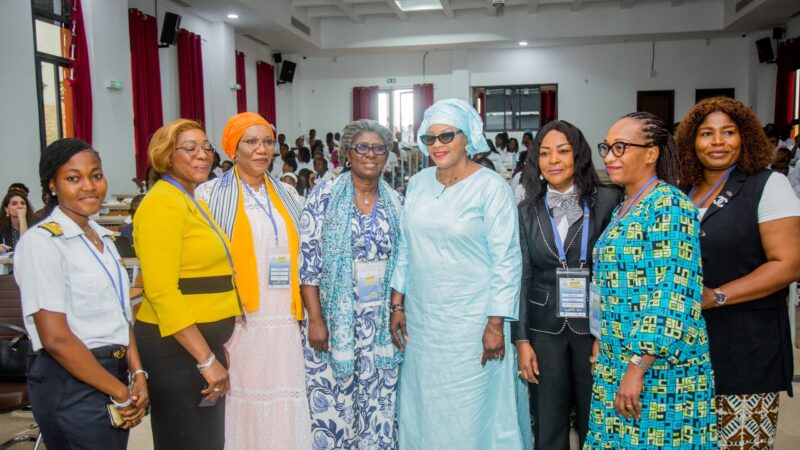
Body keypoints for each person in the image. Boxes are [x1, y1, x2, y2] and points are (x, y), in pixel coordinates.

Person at [390, 99, 531, 449]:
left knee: (470, 409)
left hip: (473, 325)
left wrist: (496, 325)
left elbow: (507, 260)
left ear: (467, 138)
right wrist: (397, 304)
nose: (437, 145)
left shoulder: (491, 187)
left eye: (446, 136)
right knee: (426, 406)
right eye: (429, 139)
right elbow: (405, 246)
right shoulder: (419, 183)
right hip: (423, 324)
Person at [585, 112, 717, 449]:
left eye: (620, 148)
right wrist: (601, 338)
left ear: (651, 152)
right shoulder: (625, 206)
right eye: (606, 148)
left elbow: (673, 291)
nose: (608, 157)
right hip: (618, 357)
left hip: (658, 369)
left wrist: (639, 365)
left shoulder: (670, 205)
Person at [675, 97, 800, 449]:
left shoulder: (767, 185)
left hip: (747, 348)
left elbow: (788, 263)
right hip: (689, 349)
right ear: (691, 141)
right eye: (706, 134)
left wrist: (716, 296)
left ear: (744, 137)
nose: (717, 141)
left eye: (727, 132)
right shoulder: (685, 191)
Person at [14, 138, 148, 449]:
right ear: (52, 186)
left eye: (96, 175)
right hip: (71, 381)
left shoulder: (102, 238)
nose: (89, 186)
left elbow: (119, 314)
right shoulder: (42, 243)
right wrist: (121, 393)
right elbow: (56, 338)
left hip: (112, 374)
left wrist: (137, 371)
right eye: (73, 178)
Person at [195, 112, 311, 449]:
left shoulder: (288, 195)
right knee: (244, 396)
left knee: (284, 391)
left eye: (267, 142)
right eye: (251, 142)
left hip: (285, 315)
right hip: (241, 316)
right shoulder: (209, 196)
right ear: (233, 148)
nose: (262, 150)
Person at [133, 119, 243, 450]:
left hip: (196, 345)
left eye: (206, 147)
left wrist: (213, 348)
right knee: (188, 439)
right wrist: (205, 359)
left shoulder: (190, 199)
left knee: (205, 439)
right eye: (190, 148)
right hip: (176, 349)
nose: (202, 155)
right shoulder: (161, 204)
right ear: (166, 155)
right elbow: (162, 291)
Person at [513, 121, 621, 449]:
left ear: (578, 156)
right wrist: (521, 340)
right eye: (544, 153)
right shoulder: (526, 210)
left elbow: (616, 273)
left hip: (595, 330)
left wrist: (610, 334)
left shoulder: (608, 201)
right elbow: (522, 277)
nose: (554, 160)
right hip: (544, 330)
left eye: (563, 151)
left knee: (597, 419)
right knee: (548, 422)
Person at [299, 119, 404, 449]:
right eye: (361, 147)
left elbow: (404, 261)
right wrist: (315, 320)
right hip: (335, 316)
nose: (370, 154)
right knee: (337, 403)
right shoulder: (324, 197)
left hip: (380, 317)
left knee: (379, 400)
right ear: (347, 153)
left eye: (378, 148)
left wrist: (398, 307)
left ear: (387, 156)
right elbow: (308, 266)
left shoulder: (395, 201)